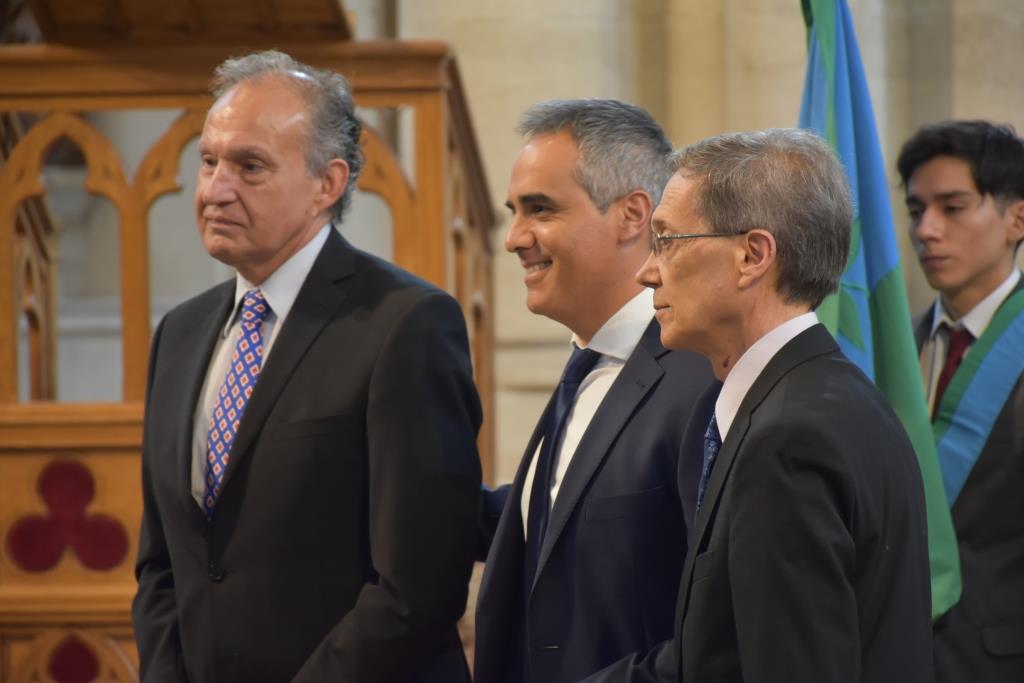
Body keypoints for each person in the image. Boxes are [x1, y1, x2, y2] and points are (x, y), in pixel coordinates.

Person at [131, 50, 482, 683]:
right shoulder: (179, 334)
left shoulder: (405, 323)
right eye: (209, 161)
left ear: (328, 183)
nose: (215, 189)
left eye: (250, 166)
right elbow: (163, 564)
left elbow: (418, 586)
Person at [634, 128, 933, 682]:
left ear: (752, 255)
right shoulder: (829, 399)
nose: (646, 271)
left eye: (666, 240)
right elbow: (720, 653)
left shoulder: (788, 439)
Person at [473, 99, 714, 683]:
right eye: (513, 211)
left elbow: (717, 629)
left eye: (540, 210)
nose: (513, 238)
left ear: (633, 215)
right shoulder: (588, 362)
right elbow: (564, 523)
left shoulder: (701, 377)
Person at [897, 120, 1024, 683]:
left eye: (952, 207)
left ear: (1016, 218)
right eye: (915, 209)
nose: (926, 230)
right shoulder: (898, 350)